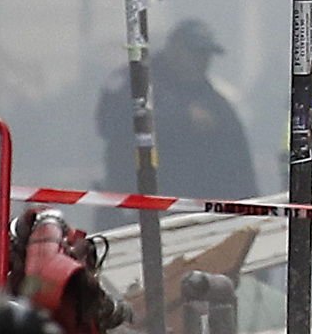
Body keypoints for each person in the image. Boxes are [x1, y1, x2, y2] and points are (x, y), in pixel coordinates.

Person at [98, 16, 259, 201]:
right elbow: (112, 121)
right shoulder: (136, 79)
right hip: (137, 205)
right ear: (174, 49)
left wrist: (250, 205)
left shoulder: (214, 102)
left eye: (206, 55)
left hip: (198, 211)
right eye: (195, 53)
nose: (201, 61)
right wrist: (182, 118)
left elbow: (238, 158)